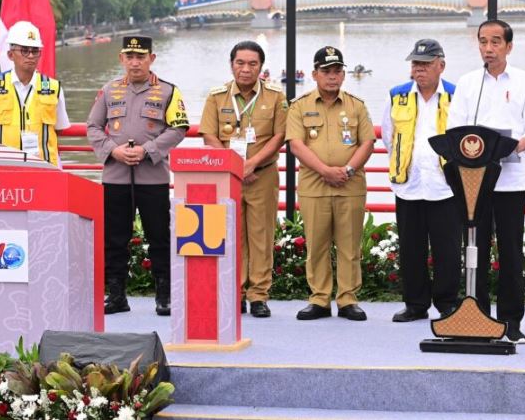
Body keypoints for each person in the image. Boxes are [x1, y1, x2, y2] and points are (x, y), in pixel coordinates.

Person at [447, 20, 525, 344]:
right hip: (474, 182)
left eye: (495, 42)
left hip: (511, 179)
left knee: (511, 253)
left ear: (508, 46)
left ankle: (511, 321)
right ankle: (479, 316)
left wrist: (511, 147)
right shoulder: (466, 83)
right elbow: (454, 127)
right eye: (483, 42)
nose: (488, 48)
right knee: (475, 249)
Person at [87, 36, 188, 316]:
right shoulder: (108, 91)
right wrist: (113, 150)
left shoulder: (169, 91)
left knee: (159, 236)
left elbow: (179, 128)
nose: (135, 63)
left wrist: (148, 150)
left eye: (140, 57)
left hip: (152, 175)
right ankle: (117, 295)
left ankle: (164, 295)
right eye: (129, 57)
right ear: (121, 58)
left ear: (151, 59)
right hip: (115, 175)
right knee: (114, 237)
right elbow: (93, 127)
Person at [286, 46, 375, 321]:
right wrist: (325, 170)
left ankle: (348, 299)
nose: (332, 77)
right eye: (326, 71)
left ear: (344, 75)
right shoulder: (300, 106)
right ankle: (320, 299)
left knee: (349, 245)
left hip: (350, 185)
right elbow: (296, 145)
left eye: (337, 71)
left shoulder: (356, 105)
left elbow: (368, 142)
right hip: (315, 185)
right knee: (317, 244)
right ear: (314, 74)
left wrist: (347, 170)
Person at [200, 41, 288, 319]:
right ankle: (234, 292)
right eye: (240, 63)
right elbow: (209, 135)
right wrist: (233, 164)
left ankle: (258, 295)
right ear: (232, 65)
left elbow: (279, 136)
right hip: (227, 176)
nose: (246, 69)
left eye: (252, 64)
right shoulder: (217, 97)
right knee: (229, 234)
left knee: (261, 236)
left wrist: (251, 164)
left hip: (262, 175)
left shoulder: (275, 96)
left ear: (261, 67)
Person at [381, 39, 461, 322]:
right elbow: (388, 137)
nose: (420, 70)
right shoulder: (397, 95)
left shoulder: (456, 95)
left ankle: (447, 303)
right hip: (409, 185)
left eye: (426, 64)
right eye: (416, 64)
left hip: (446, 186)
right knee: (411, 249)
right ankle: (415, 304)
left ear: (441, 65)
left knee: (448, 250)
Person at [0, 21, 71, 165]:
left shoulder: (53, 88)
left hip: (43, 169)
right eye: (25, 50)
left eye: (35, 50)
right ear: (10, 54)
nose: (31, 56)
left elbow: (58, 128)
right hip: (3, 168)